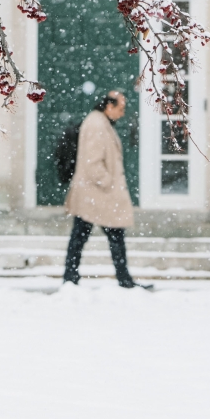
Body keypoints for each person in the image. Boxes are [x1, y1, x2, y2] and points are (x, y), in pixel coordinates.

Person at [62, 90, 148, 289]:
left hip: (95, 193)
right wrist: (108, 182)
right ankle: (121, 279)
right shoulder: (97, 124)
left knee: (87, 235)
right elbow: (93, 162)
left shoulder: (99, 122)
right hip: (97, 193)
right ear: (109, 106)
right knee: (105, 235)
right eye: (121, 108)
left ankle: (72, 276)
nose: (123, 113)